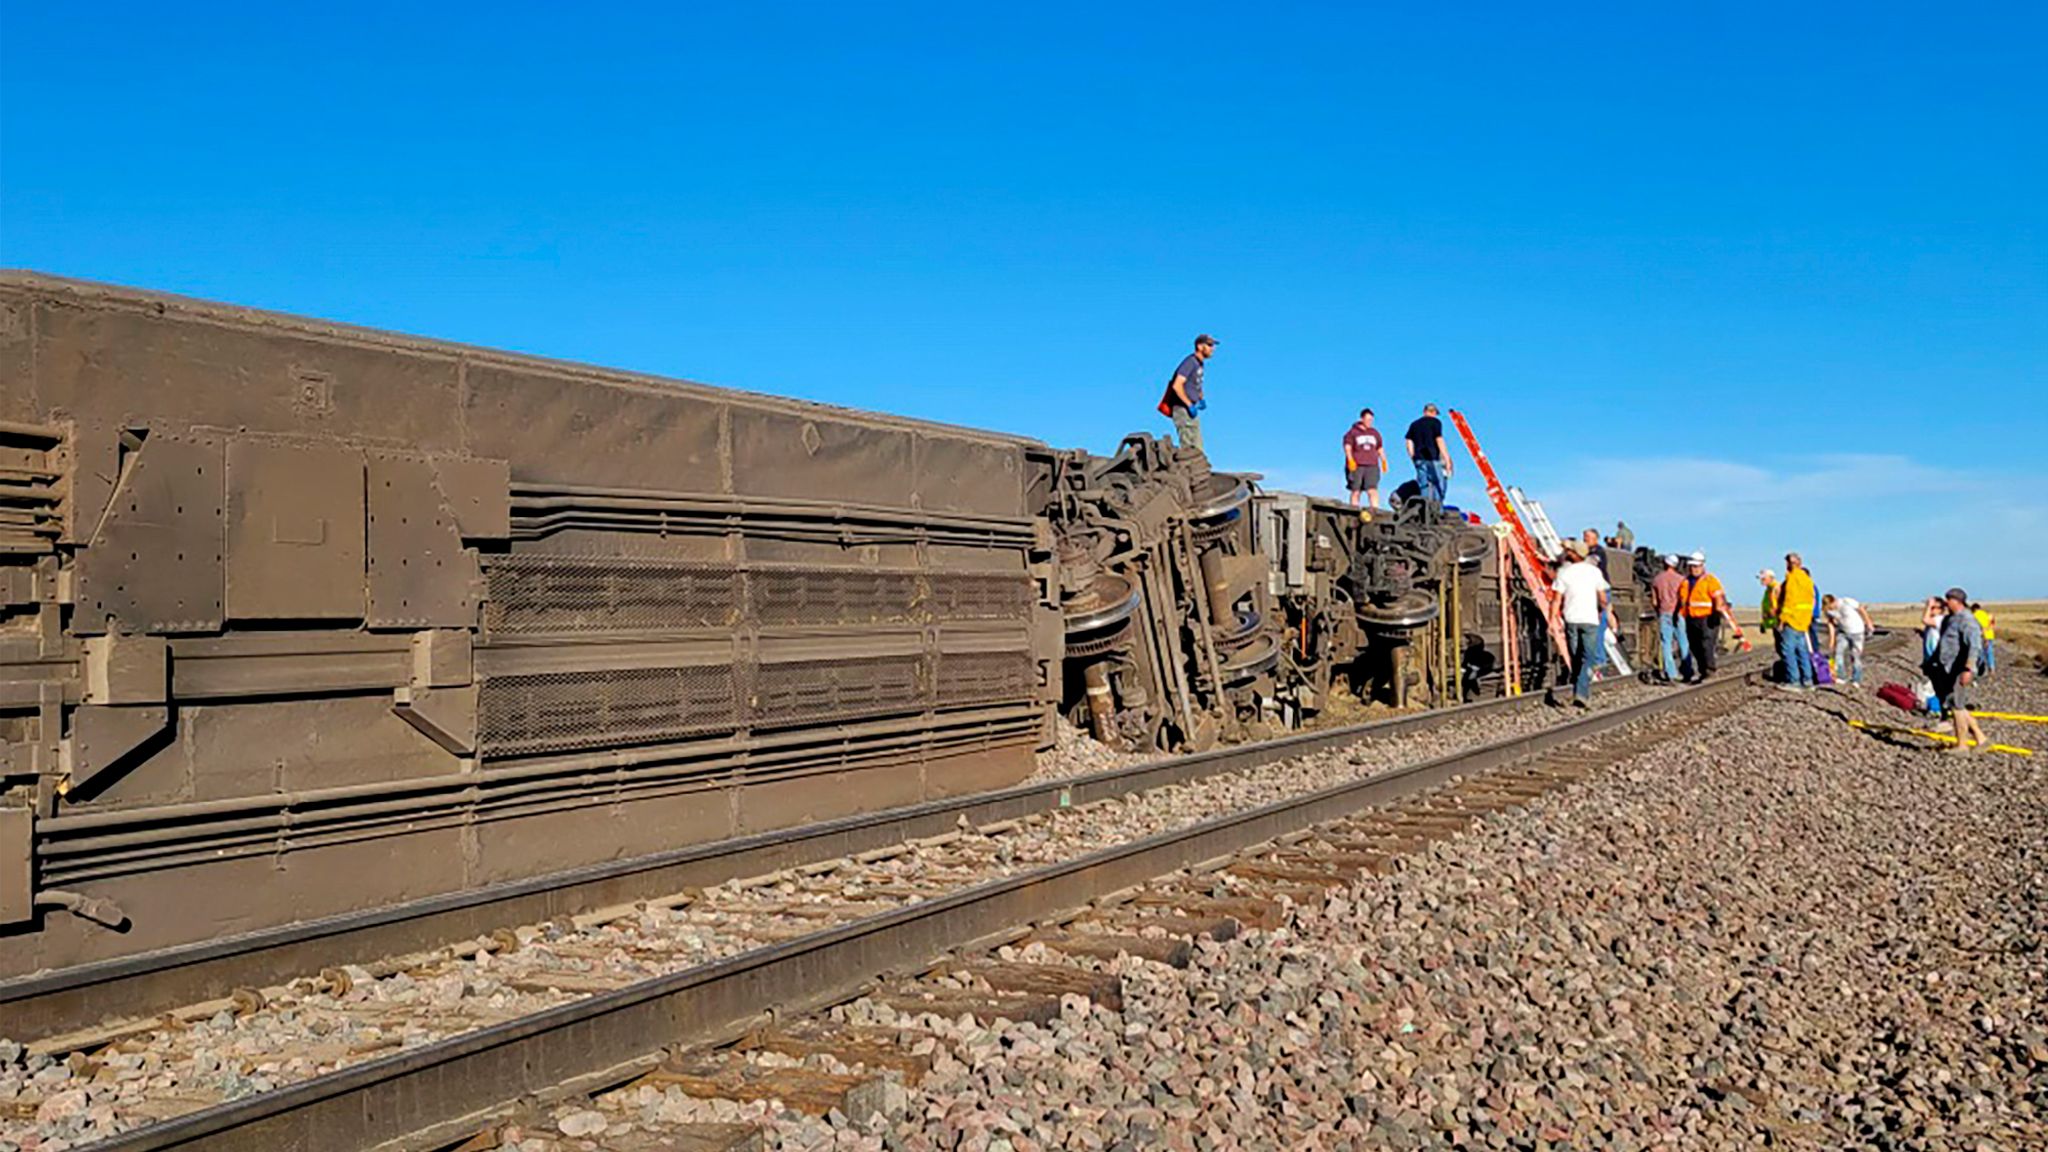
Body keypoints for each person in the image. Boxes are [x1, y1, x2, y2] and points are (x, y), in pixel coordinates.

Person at [1927, 587, 1987, 753]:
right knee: (1954, 703)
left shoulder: (1967, 620)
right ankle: (1981, 739)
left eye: (1949, 599)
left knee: (1957, 706)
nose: (1946, 603)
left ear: (1958, 601)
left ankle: (1962, 745)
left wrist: (1969, 669)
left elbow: (1974, 647)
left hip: (1960, 669)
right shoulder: (1949, 619)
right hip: (1947, 668)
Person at [1552, 539, 1610, 708]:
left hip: (1570, 619)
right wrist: (1603, 610)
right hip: (1590, 619)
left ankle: (1578, 688)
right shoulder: (1594, 572)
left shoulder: (1564, 572)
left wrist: (1552, 618)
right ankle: (1581, 692)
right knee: (1589, 657)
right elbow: (1602, 596)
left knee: (1576, 656)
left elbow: (1556, 599)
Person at [1680, 551, 1749, 681]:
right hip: (1691, 619)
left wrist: (1718, 610)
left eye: (1696, 566)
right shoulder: (1685, 582)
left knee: (1707, 645)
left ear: (1702, 566)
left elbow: (1718, 596)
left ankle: (1709, 670)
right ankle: (1703, 670)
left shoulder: (1710, 581)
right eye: (1692, 566)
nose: (1693, 569)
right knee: (1695, 646)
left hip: (1708, 618)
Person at [1156, 335, 1216, 452]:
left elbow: (1195, 384)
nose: (1212, 348)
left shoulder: (1199, 364)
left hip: (1190, 410)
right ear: (1199, 346)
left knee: (1198, 450)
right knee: (1189, 450)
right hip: (1182, 409)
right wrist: (1189, 405)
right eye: (1209, 345)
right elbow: (1177, 385)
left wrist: (1200, 398)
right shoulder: (1190, 362)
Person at [1775, 553, 1817, 691]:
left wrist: (1782, 620)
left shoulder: (1792, 579)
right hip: (1803, 621)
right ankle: (1807, 680)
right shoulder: (1807, 580)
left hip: (1792, 620)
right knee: (1802, 651)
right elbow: (1811, 600)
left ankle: (1794, 681)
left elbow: (1789, 601)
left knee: (1788, 650)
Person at [1404, 404, 1452, 513]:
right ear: (1433, 412)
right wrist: (1447, 459)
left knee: (1423, 485)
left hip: (1419, 459)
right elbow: (1439, 440)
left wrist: (1412, 455)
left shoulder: (1414, 424)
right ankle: (1437, 510)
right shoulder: (1436, 423)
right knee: (1439, 484)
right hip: (1433, 458)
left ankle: (1425, 511)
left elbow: (1408, 441)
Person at [1650, 553, 1689, 684]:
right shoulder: (1681, 579)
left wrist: (1659, 611)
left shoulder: (1657, 580)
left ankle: (1671, 673)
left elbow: (1654, 602)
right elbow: (1684, 599)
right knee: (1683, 641)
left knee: (1666, 644)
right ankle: (1687, 670)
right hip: (1677, 614)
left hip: (1664, 613)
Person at [1823, 593, 1874, 688]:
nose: (1831, 609)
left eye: (1831, 606)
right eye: (1828, 608)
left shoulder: (1846, 601)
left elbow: (1861, 609)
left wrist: (1868, 623)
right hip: (1843, 633)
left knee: (1855, 656)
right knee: (1838, 654)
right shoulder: (1828, 611)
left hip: (1857, 632)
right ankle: (1841, 677)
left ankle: (1856, 679)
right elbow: (1831, 625)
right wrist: (1831, 641)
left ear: (1833, 601)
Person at [1341, 409, 1388, 510]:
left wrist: (1384, 460)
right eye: (1367, 419)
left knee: (1372, 489)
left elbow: (1379, 448)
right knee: (1356, 490)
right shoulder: (1352, 432)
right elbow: (1347, 446)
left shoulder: (1375, 433)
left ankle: (1374, 510)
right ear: (1362, 419)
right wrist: (1350, 460)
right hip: (1357, 465)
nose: (1369, 422)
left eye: (1371, 420)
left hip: (1372, 465)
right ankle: (1353, 510)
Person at [1971, 602, 1997, 676]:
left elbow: (1981, 627)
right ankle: (1991, 668)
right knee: (1989, 652)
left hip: (1982, 636)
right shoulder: (1986, 614)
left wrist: (1984, 637)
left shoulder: (1975, 615)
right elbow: (1992, 624)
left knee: (1981, 653)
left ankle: (1980, 668)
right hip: (1990, 635)